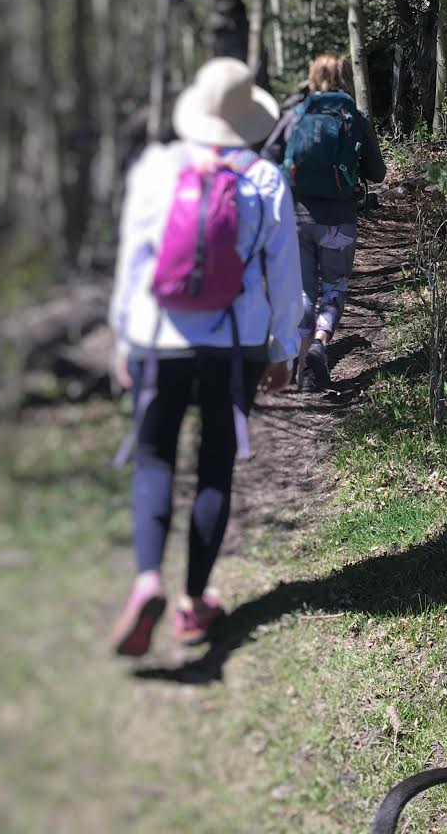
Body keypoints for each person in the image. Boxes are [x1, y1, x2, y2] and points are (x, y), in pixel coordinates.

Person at [106, 57, 303, 657]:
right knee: (214, 463)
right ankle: (193, 605)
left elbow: (133, 263)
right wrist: (284, 346)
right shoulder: (264, 179)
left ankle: (146, 581)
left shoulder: (158, 169)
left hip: (157, 340)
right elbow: (285, 274)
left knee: (155, 456)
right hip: (232, 343)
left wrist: (123, 336)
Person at [261, 54, 387, 392]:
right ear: (346, 78)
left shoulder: (296, 115)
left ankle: (302, 368)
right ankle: (319, 344)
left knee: (304, 291)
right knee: (333, 288)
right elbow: (378, 172)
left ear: (312, 78)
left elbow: (266, 160)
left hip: (296, 217)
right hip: (339, 220)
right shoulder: (354, 117)